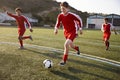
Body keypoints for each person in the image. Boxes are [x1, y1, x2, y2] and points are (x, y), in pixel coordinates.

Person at [54, 2, 83, 66]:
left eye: (64, 9)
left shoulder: (71, 15)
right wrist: (56, 29)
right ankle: (77, 48)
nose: (62, 10)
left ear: (67, 9)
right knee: (71, 46)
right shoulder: (60, 16)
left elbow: (79, 20)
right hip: (66, 32)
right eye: (61, 9)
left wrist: (80, 28)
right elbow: (58, 23)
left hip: (73, 31)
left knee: (66, 44)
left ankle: (64, 61)